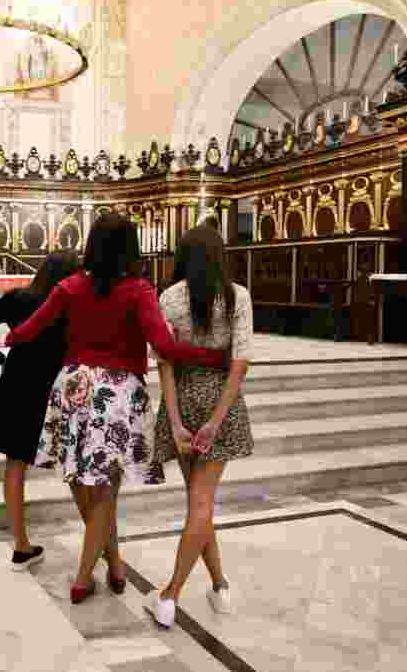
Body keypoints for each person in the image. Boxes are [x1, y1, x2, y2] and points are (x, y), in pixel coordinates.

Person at [4, 216, 229, 604]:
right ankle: (82, 578)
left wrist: (13, 337)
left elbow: (30, 328)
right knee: (106, 491)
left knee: (82, 482)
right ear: (131, 249)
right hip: (118, 394)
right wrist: (209, 356)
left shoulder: (69, 286)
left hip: (73, 386)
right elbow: (165, 346)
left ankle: (115, 562)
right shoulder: (138, 290)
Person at [148, 226, 254, 628]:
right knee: (201, 503)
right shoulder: (237, 295)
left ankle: (170, 594)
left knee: (198, 502)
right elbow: (240, 362)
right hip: (219, 400)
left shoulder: (169, 297)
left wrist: (175, 421)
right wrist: (217, 420)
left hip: (184, 396)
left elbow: (165, 363)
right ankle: (220, 587)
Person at [0, 250, 80, 571]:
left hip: (16, 388)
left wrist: (4, 361)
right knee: (75, 467)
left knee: (14, 466)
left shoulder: (16, 298)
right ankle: (98, 545)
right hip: (54, 390)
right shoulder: (71, 304)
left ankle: (21, 545)